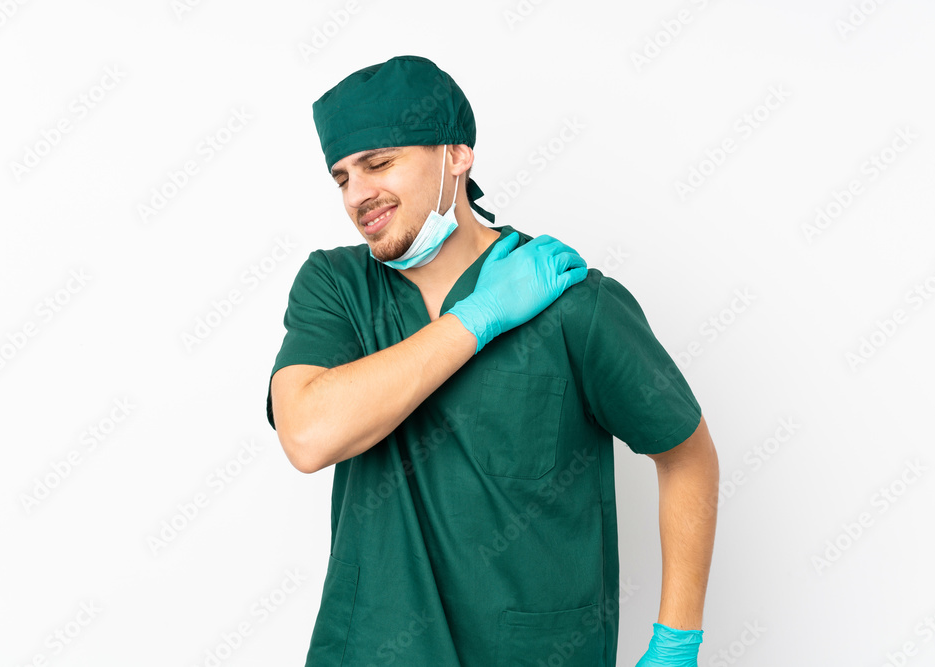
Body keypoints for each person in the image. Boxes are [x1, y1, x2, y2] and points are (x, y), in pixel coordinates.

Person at [266, 54, 719, 667]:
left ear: (457, 155)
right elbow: (309, 435)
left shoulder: (570, 301)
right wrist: (477, 319)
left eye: (379, 163)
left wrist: (676, 641)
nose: (359, 194)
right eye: (342, 177)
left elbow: (686, 453)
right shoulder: (336, 287)